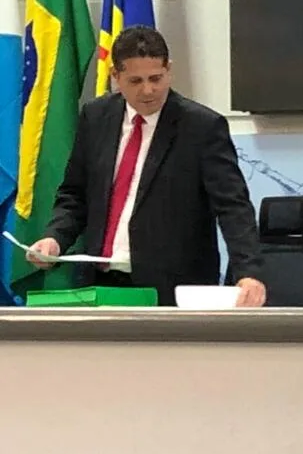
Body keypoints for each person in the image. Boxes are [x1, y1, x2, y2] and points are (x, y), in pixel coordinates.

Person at [25, 25, 265, 306]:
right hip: (100, 283)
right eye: (135, 81)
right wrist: (55, 238)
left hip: (172, 288)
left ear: (169, 70)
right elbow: (74, 195)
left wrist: (248, 272)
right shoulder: (96, 117)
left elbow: (233, 206)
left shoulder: (202, 127)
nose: (148, 90)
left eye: (156, 78)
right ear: (116, 76)